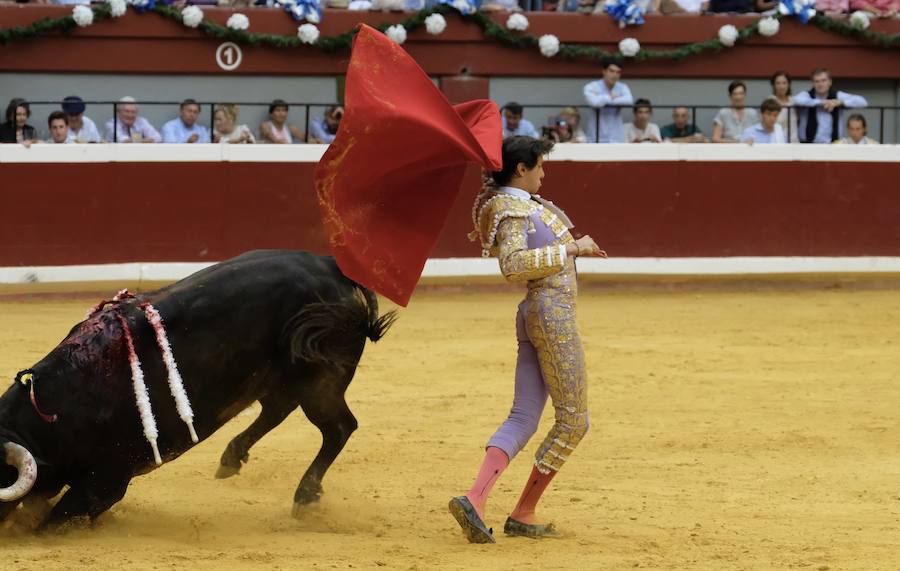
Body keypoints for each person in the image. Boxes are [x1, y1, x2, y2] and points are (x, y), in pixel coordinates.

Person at [451, 136, 607, 543]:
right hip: (551, 314)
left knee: (523, 417)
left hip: (537, 313)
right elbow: (513, 265)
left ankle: (476, 499)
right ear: (521, 168)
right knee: (573, 421)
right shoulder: (512, 207)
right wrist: (572, 248)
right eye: (539, 165)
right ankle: (523, 511)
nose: (544, 173)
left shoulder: (518, 205)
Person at [794, 68, 868, 144]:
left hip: (834, 144)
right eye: (817, 81)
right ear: (813, 83)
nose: (820, 84)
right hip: (808, 144)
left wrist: (841, 102)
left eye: (823, 80)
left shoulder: (837, 95)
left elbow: (863, 102)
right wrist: (820, 102)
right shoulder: (807, 95)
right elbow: (796, 100)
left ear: (830, 82)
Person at [583, 61, 633, 143]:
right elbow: (594, 102)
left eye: (618, 72)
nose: (615, 75)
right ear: (604, 71)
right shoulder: (592, 86)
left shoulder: (622, 87)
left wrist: (601, 97)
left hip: (616, 136)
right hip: (596, 135)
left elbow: (629, 100)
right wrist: (610, 97)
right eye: (611, 71)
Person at [768, 71, 799, 143]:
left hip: (794, 143)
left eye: (784, 83)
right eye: (778, 83)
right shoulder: (770, 102)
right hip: (777, 143)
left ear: (788, 84)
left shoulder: (794, 101)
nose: (781, 86)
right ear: (773, 85)